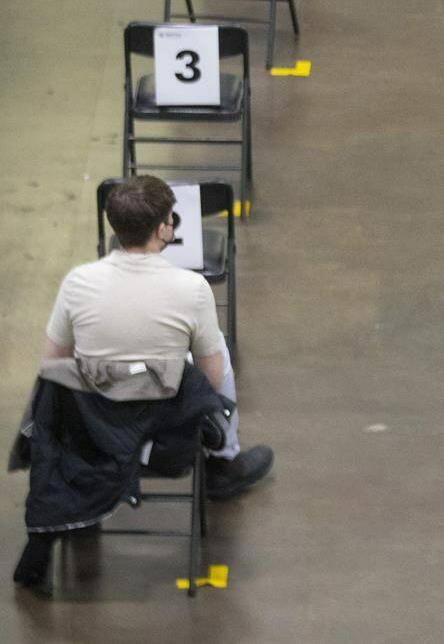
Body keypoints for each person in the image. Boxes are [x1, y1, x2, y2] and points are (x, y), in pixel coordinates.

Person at [40, 176, 273, 500]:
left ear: (115, 227)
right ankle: (223, 463)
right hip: (166, 439)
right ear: (165, 229)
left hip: (95, 433)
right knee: (217, 348)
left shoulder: (77, 283)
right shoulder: (192, 289)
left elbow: (53, 366)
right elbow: (212, 381)